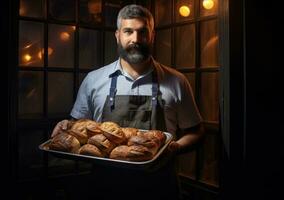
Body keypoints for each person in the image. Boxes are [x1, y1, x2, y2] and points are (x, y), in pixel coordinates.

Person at [51, 4, 204, 200]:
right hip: (104, 188)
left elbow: (196, 132)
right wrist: (66, 125)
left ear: (152, 35)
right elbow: (76, 127)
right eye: (128, 31)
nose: (136, 39)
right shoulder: (94, 80)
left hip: (158, 188)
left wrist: (175, 148)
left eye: (142, 32)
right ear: (117, 35)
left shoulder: (176, 81)